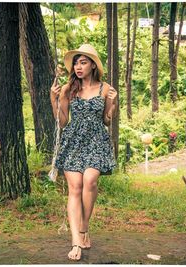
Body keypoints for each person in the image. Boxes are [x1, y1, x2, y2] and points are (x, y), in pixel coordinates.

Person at [50, 44, 117, 261]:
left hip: (96, 141)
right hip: (73, 142)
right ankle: (76, 242)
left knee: (90, 181)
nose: (78, 67)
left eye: (83, 62)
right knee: (75, 188)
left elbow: (107, 120)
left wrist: (113, 105)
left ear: (93, 65)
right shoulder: (69, 89)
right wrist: (54, 99)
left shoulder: (105, 88)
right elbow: (62, 122)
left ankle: (84, 226)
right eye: (76, 63)